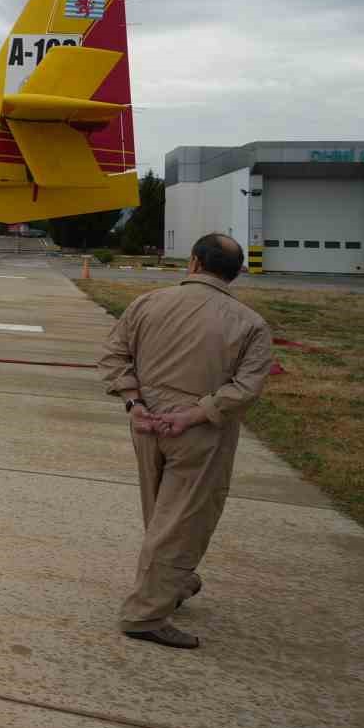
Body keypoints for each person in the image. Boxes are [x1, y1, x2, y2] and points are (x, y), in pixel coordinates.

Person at [98, 232, 273, 649]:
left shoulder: (146, 303)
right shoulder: (250, 325)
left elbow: (114, 355)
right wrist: (195, 414)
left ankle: (174, 582)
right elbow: (245, 389)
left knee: (160, 514)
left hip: (145, 423)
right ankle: (145, 614)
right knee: (182, 521)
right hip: (199, 432)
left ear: (193, 262)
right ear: (236, 273)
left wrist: (134, 403)